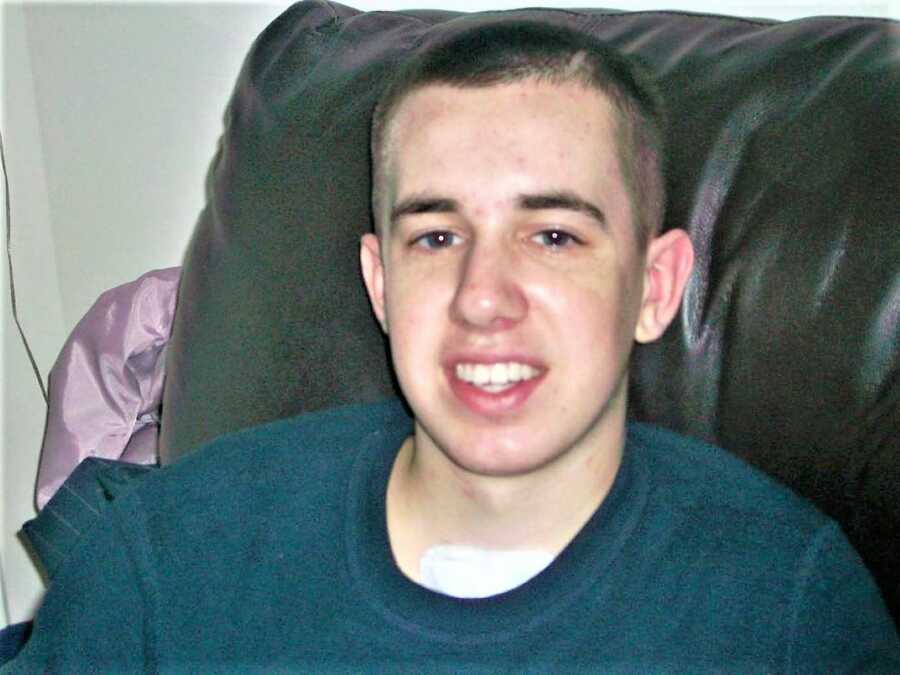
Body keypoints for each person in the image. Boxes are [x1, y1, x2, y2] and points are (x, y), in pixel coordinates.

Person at [4, 21, 898, 672]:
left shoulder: (788, 611)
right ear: (380, 283)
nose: (482, 298)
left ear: (654, 288)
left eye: (553, 235)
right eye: (435, 237)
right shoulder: (165, 565)